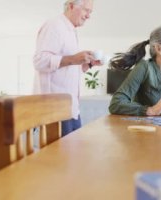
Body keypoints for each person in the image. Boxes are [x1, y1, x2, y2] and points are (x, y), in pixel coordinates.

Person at [33, 0, 100, 137]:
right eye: (86, 10)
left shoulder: (70, 30)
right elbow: (39, 61)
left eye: (90, 12)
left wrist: (88, 64)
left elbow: (67, 70)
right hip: (56, 110)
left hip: (72, 108)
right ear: (71, 6)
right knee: (61, 157)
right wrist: (73, 59)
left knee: (73, 156)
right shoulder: (54, 26)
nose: (88, 16)